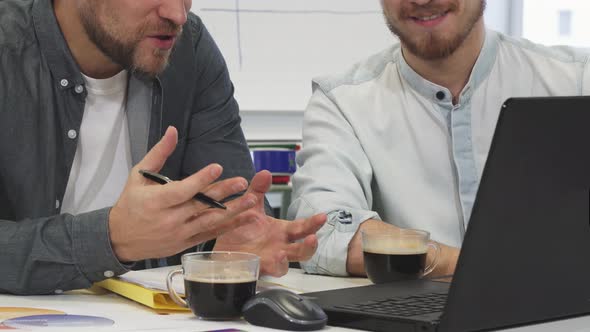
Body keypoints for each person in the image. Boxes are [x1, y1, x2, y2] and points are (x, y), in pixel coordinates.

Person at [0, 0, 326, 295]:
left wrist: (230, 245)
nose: (178, 14)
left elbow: (233, 209)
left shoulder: (188, 47)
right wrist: (110, 238)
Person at [288, 0, 590, 277]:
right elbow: (324, 233)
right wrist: (476, 270)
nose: (421, 0)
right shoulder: (341, 103)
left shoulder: (577, 81)